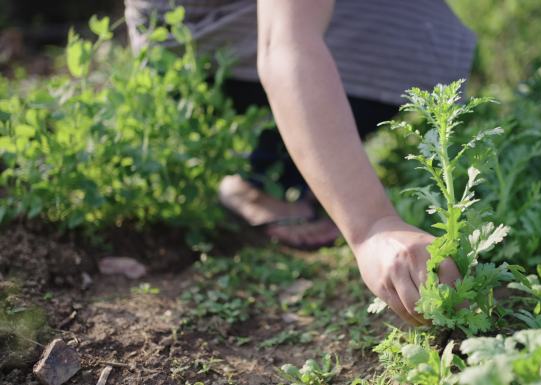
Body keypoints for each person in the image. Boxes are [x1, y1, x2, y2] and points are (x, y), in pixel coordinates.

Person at [125, 0, 475, 325]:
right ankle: (260, 175)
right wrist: (373, 227)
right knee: (419, 33)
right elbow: (284, 44)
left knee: (429, 27)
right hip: (185, 40)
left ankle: (288, 159)